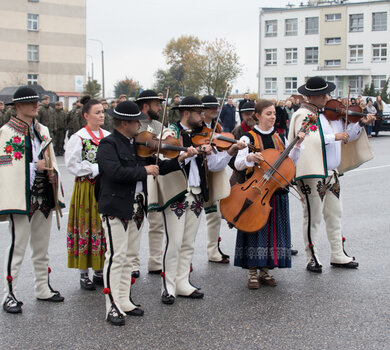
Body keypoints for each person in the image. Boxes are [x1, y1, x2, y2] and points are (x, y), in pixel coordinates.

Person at [96, 100, 188, 326]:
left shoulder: (134, 143)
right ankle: (111, 305)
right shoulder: (108, 144)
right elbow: (114, 172)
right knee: (116, 257)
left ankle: (125, 299)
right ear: (125, 123)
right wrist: (143, 170)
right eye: (136, 120)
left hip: (136, 205)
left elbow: (157, 165)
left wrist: (183, 156)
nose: (140, 124)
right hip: (115, 206)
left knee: (129, 255)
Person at [158, 96, 246, 305]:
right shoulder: (171, 133)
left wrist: (230, 152)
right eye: (199, 112)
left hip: (197, 193)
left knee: (188, 242)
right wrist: (185, 155)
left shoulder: (203, 135)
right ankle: (167, 286)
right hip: (177, 192)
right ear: (187, 113)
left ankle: (182, 282)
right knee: (175, 242)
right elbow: (163, 161)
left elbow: (214, 165)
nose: (203, 116)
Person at [288, 76, 376, 273]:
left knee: (335, 214)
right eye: (325, 94)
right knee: (313, 216)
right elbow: (308, 137)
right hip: (312, 173)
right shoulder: (304, 114)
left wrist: (360, 124)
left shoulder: (329, 116)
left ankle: (337, 253)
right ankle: (312, 257)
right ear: (316, 96)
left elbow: (346, 136)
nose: (329, 98)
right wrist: (333, 136)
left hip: (331, 172)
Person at [0, 87, 65, 314]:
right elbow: (6, 165)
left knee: (41, 247)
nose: (35, 105)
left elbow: (51, 158)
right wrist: (33, 167)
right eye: (30, 103)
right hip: (22, 198)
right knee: (17, 247)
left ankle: (42, 287)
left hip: (43, 195)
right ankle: (9, 294)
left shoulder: (42, 129)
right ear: (17, 107)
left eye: (36, 102)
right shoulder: (7, 132)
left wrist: (52, 173)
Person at [233, 100, 305, 289]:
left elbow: (290, 163)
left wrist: (297, 146)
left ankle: (265, 271)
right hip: (255, 191)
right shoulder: (249, 138)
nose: (272, 117)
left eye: (273, 113)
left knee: (272, 231)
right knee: (254, 227)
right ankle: (252, 273)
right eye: (268, 114)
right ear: (257, 116)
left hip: (276, 190)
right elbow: (238, 163)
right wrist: (249, 157)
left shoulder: (280, 138)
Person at [65, 96, 110, 291]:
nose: (101, 115)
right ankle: (83, 273)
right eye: (97, 112)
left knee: (102, 226)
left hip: (106, 186)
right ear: (86, 116)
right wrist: (94, 168)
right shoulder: (79, 137)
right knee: (86, 226)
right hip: (87, 187)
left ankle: (99, 270)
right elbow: (71, 165)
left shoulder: (107, 135)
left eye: (102, 112)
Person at [134, 90, 166, 277]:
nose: (160, 107)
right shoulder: (135, 124)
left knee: (156, 222)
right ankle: (133, 264)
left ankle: (155, 261)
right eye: (156, 104)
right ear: (145, 106)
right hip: (138, 175)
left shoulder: (158, 124)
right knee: (135, 222)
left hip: (155, 176)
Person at [201, 95, 229, 263]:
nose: (215, 109)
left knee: (215, 214)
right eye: (210, 107)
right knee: (209, 214)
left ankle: (213, 249)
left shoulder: (217, 126)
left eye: (216, 106)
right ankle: (211, 250)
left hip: (215, 172)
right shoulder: (198, 128)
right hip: (204, 172)